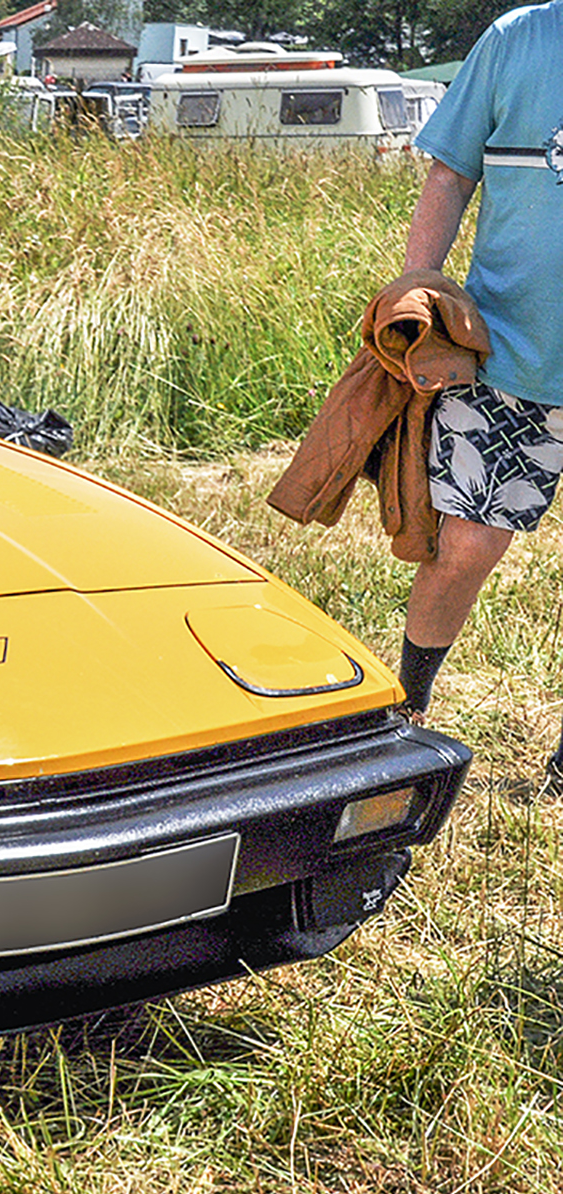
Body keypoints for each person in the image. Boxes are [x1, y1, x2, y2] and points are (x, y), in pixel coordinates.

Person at [389, 1, 563, 780]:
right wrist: (415, 295)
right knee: (463, 547)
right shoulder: (517, 38)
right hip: (503, 351)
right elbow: (451, 172)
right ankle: (404, 715)